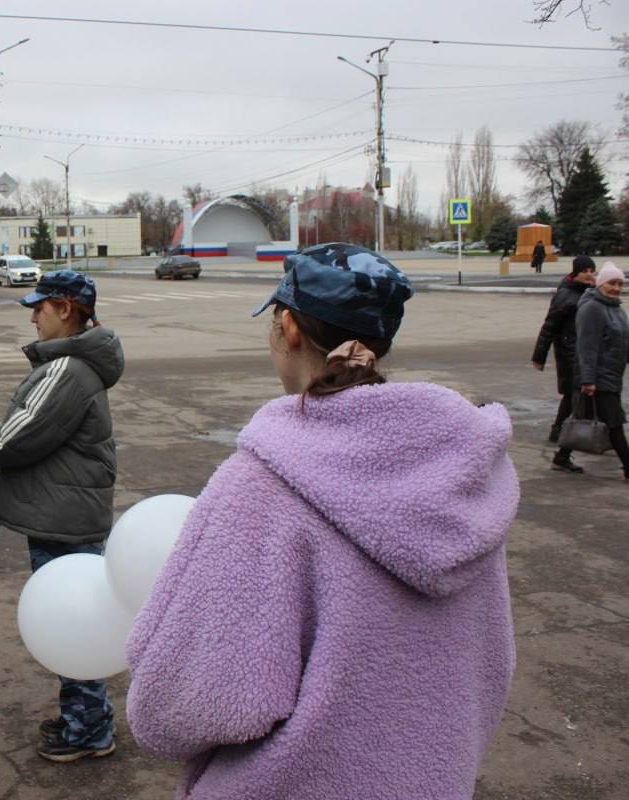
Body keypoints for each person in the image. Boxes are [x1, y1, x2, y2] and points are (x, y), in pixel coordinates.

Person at [126, 243, 518, 800]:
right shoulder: (464, 470)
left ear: (287, 327)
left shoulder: (263, 484)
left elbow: (182, 707)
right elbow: (490, 663)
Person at [0, 270, 124, 763]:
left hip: (64, 517)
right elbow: (19, 430)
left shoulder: (67, 370)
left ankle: (88, 728)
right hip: (66, 510)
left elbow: (12, 440)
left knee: (72, 624)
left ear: (67, 310)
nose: (33, 316)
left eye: (40, 307)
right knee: (74, 620)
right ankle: (85, 717)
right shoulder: (72, 365)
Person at [553, 262, 629, 479]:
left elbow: (623, 342)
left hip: (611, 375)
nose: (616, 287)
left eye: (619, 283)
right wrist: (587, 380)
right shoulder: (591, 308)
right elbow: (586, 347)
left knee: (582, 417)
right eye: (611, 283)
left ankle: (561, 457)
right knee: (614, 423)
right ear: (601, 284)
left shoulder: (616, 308)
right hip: (596, 376)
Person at [533, 255, 597, 451]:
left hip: (583, 352)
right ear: (575, 273)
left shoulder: (589, 292)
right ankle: (558, 431)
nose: (588, 275)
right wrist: (539, 356)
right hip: (569, 352)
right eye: (584, 271)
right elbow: (549, 326)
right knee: (571, 394)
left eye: (591, 271)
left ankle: (585, 433)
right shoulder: (566, 295)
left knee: (583, 393)